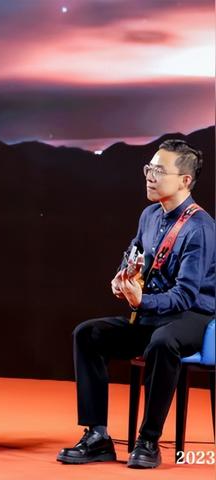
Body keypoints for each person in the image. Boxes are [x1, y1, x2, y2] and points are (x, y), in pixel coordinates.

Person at [57, 139, 215, 468]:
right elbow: (134, 256)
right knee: (87, 334)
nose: (150, 176)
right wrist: (123, 279)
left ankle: (148, 440)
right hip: (153, 314)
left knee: (163, 342)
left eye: (159, 171)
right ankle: (97, 436)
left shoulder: (200, 228)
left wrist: (143, 300)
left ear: (185, 180)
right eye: (149, 169)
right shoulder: (150, 216)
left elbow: (185, 296)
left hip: (194, 316)